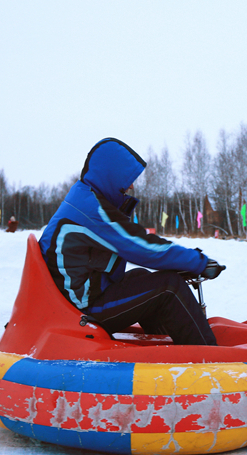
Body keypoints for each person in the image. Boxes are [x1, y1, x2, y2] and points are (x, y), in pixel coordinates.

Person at [38, 138, 223, 345]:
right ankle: (210, 359)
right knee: (169, 286)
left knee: (141, 277)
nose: (132, 186)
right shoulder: (91, 210)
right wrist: (198, 262)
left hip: (79, 300)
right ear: (112, 174)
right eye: (128, 179)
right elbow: (142, 246)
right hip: (80, 312)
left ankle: (165, 346)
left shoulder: (84, 199)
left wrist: (179, 262)